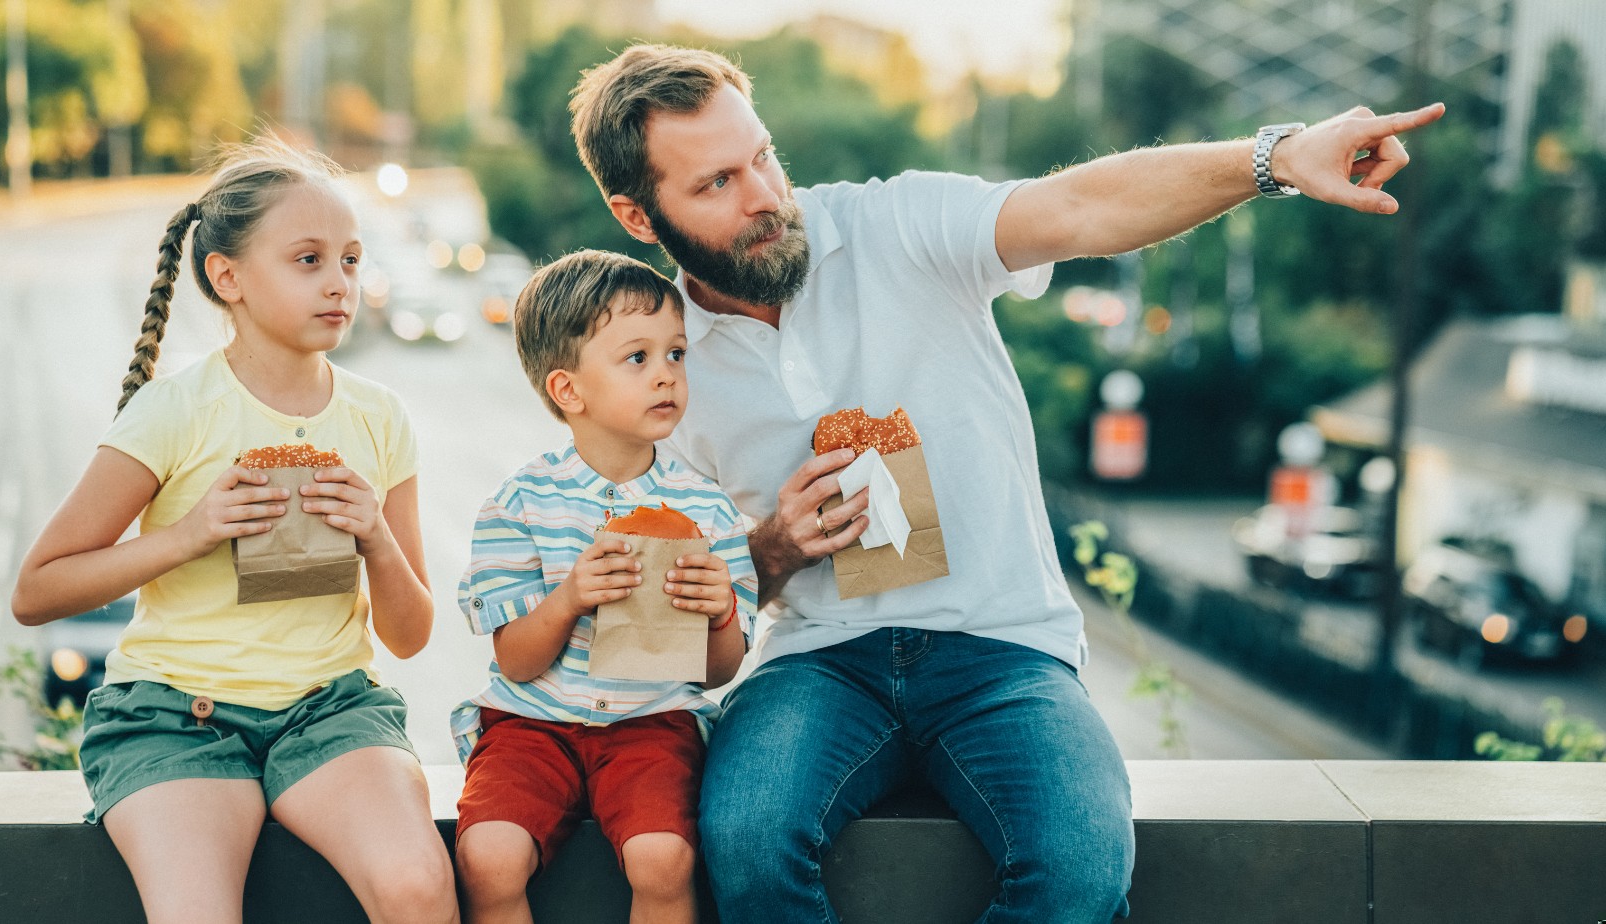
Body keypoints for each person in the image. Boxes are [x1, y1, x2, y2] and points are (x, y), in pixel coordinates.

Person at [568, 44, 1445, 923]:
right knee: (748, 847)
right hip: (815, 663)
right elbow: (659, 641)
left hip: (1004, 651)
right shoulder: (653, 366)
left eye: (762, 156)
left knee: (1079, 869)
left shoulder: (896, 225)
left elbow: (1077, 208)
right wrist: (771, 551)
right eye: (716, 183)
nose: (763, 195)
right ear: (638, 217)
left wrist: (1275, 159)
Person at [10, 140, 457, 924]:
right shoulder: (175, 410)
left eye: (351, 261)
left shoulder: (379, 418)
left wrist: (375, 542)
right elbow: (38, 591)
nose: (339, 285)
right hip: (177, 718)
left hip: (331, 710)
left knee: (418, 888)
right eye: (309, 260)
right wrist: (190, 534)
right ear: (228, 277)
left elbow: (412, 635)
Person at [449, 249, 758, 924]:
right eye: (637, 358)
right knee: (488, 858)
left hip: (653, 725)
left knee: (663, 859)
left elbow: (717, 673)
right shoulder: (519, 504)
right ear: (568, 390)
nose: (667, 377)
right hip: (531, 726)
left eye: (676, 355)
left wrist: (720, 612)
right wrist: (570, 597)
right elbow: (518, 663)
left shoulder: (707, 511)